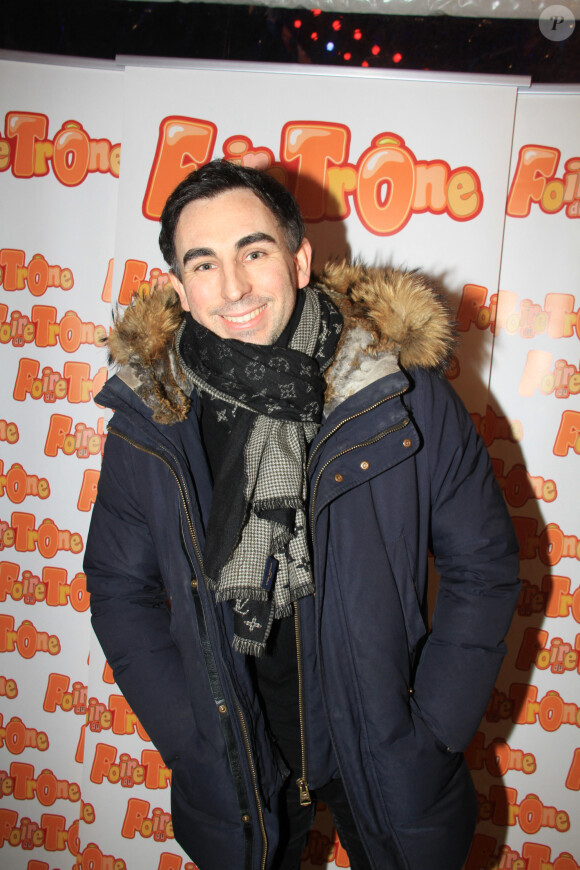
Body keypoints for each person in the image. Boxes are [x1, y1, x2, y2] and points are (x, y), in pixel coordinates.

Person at [84, 159, 520, 870]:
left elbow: (485, 565)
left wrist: (434, 728)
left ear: (298, 258)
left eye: (254, 252)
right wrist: (190, 736)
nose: (233, 287)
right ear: (178, 288)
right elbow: (118, 588)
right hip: (238, 754)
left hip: (381, 743)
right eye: (204, 263)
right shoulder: (152, 418)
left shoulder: (398, 393)